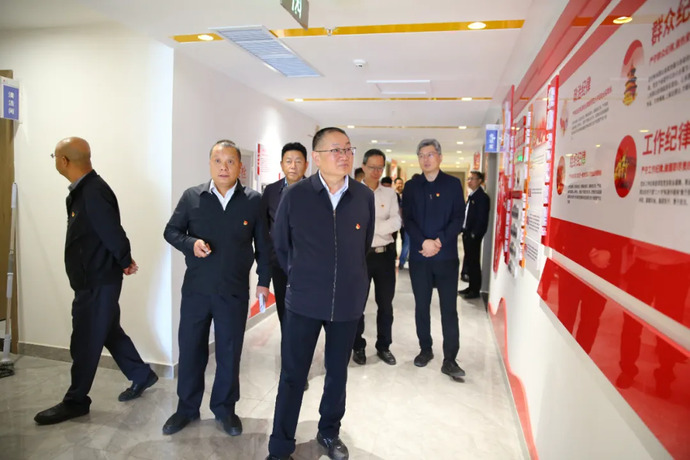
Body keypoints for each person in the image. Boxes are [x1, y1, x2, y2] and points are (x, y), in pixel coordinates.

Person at [266, 127, 374, 460]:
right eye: (335, 150)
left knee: (337, 373)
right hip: (304, 300)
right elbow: (281, 245)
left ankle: (329, 432)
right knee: (293, 375)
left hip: (347, 303)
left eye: (348, 149)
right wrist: (302, 276)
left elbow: (363, 246)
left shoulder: (363, 196)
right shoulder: (296, 195)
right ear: (317, 157)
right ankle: (280, 444)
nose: (344, 156)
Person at [35, 137, 157, 426]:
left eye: (54, 156)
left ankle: (76, 401)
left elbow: (111, 229)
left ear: (64, 160)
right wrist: (122, 260)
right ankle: (141, 374)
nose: (55, 161)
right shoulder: (85, 190)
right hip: (94, 278)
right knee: (108, 331)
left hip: (96, 280)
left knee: (85, 340)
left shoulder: (93, 191)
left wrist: (124, 259)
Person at [163, 139, 270, 436]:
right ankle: (186, 408)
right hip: (196, 290)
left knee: (229, 353)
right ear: (210, 164)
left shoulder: (253, 200)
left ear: (240, 166)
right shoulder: (192, 197)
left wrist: (263, 282)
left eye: (230, 161)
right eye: (218, 161)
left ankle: (225, 410)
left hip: (233, 292)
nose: (224, 167)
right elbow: (171, 231)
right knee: (191, 350)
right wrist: (190, 243)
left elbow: (264, 246)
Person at [402, 139, 466, 381]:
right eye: (421, 155)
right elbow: (408, 219)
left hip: (446, 256)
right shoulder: (411, 186)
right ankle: (425, 349)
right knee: (422, 306)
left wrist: (438, 241)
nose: (425, 159)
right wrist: (423, 243)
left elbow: (458, 218)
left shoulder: (452, 184)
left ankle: (450, 359)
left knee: (449, 309)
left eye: (429, 154)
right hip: (420, 257)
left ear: (440, 157)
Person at [352, 149, 401, 366]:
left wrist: (370, 227)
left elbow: (396, 222)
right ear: (363, 167)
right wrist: (380, 226)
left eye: (380, 168)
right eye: (372, 167)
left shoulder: (390, 194)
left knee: (385, 304)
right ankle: (358, 346)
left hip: (384, 256)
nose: (376, 171)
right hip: (360, 256)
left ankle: (384, 346)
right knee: (357, 304)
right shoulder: (352, 193)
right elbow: (352, 225)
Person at [261, 142, 309, 324]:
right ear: (282, 164)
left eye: (298, 161)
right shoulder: (271, 191)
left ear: (306, 164)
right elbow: (264, 228)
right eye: (288, 161)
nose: (293, 166)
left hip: (307, 263)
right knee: (283, 310)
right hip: (279, 263)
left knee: (304, 312)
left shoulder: (315, 191)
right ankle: (287, 342)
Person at [458, 171, 490, 299]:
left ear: (480, 181)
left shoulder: (482, 197)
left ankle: (475, 289)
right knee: (469, 261)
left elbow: (481, 219)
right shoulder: (472, 195)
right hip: (467, 233)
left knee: (474, 262)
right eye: (469, 179)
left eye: (472, 179)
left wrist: (474, 233)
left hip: (473, 235)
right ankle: (471, 287)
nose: (469, 181)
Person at [394, 177, 410, 269]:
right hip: (395, 221)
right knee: (394, 239)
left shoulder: (406, 194)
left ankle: (403, 259)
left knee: (405, 241)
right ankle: (396, 257)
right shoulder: (392, 194)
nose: (400, 185)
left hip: (404, 222)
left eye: (401, 183)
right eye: (398, 183)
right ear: (395, 184)